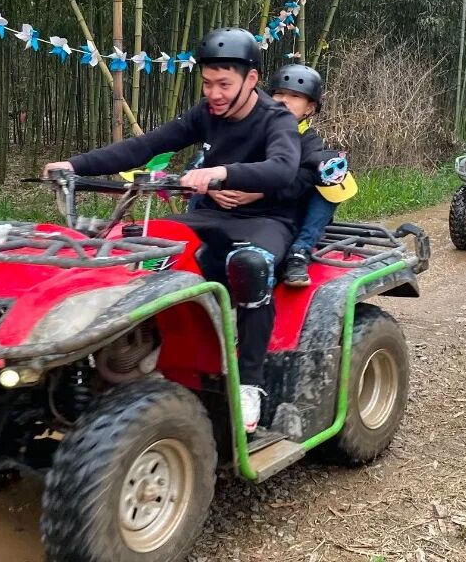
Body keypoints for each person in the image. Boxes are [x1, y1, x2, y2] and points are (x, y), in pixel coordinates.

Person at [43, 27, 300, 434]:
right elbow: (146, 146)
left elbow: (283, 168)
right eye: (207, 84)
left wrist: (222, 172)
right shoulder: (206, 114)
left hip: (265, 220)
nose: (214, 93)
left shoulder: (276, 119)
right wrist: (75, 166)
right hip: (209, 214)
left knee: (251, 265)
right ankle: (128, 353)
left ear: (251, 79)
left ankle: (249, 384)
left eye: (224, 84)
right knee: (134, 243)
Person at [266, 64, 357, 287]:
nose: (284, 100)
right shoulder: (254, 131)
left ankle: (300, 250)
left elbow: (299, 180)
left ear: (309, 108)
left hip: (292, 207)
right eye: (279, 93)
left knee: (332, 174)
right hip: (252, 209)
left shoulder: (308, 141)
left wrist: (264, 189)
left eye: (295, 96)